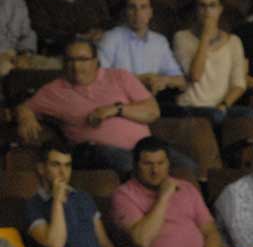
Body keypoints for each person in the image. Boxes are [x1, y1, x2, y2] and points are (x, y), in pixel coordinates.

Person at [14, 39, 190, 177]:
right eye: (69, 60)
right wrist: (25, 117)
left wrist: (115, 109)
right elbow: (24, 107)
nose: (75, 66)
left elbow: (153, 112)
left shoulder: (120, 76)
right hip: (94, 151)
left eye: (82, 60)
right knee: (128, 164)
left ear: (95, 61)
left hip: (144, 149)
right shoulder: (54, 90)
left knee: (187, 167)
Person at [111, 137, 221, 247]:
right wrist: (163, 197)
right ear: (135, 165)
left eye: (160, 163)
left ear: (168, 164)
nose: (155, 170)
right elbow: (141, 241)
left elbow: (210, 232)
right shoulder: (123, 194)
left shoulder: (187, 188)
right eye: (147, 164)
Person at [24, 142, 119, 247]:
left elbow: (104, 243)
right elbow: (55, 244)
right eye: (56, 165)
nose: (63, 172)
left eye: (67, 165)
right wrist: (57, 201)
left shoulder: (83, 197)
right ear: (41, 168)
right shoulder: (33, 205)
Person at [172, 0, 253, 126]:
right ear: (195, 9)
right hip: (192, 106)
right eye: (202, 6)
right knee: (215, 116)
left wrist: (224, 105)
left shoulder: (234, 41)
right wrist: (205, 37)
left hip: (221, 107)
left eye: (212, 5)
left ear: (220, 9)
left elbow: (239, 84)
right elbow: (195, 75)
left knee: (250, 115)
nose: (207, 11)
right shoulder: (182, 37)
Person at [99, 0, 186, 99]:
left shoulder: (159, 42)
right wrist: (139, 79)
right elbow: (98, 78)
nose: (138, 13)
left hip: (150, 102)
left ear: (151, 12)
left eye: (143, 7)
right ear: (125, 12)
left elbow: (181, 80)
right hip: (118, 101)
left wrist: (164, 80)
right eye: (132, 7)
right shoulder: (111, 38)